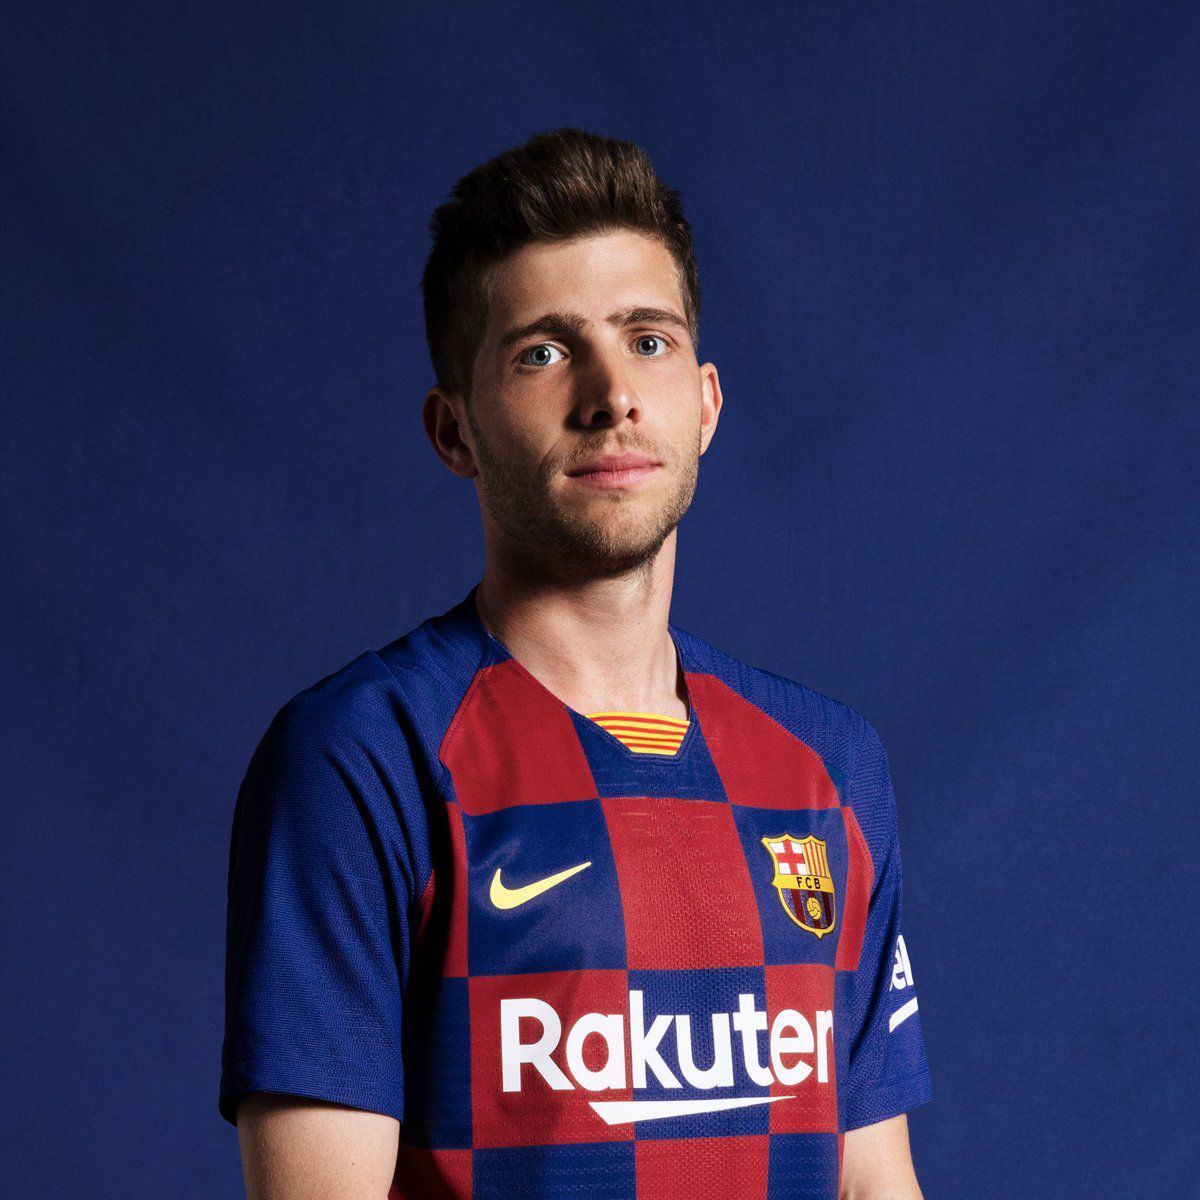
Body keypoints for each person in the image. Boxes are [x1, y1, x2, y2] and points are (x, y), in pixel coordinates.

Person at [220, 126, 932, 1200]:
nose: (612, 395)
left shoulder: (830, 766)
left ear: (707, 402)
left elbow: (875, 1180)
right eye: (543, 353)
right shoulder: (364, 757)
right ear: (453, 431)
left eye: (648, 340)